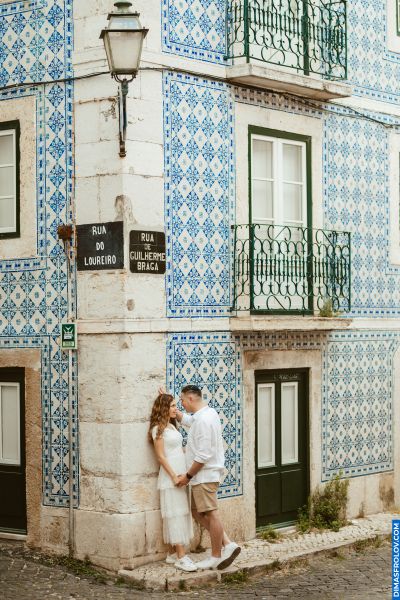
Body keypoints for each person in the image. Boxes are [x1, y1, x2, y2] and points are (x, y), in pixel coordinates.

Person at [176, 384, 241, 570]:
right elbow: (190, 421)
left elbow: (203, 455)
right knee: (196, 511)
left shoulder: (204, 421)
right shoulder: (207, 414)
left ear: (190, 398)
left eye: (181, 400)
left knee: (211, 513)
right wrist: (177, 413)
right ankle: (227, 544)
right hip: (201, 477)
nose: (181, 404)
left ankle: (216, 556)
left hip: (204, 475)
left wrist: (187, 476)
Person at [148, 393, 197, 572]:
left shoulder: (170, 425)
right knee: (175, 514)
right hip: (171, 476)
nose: (176, 408)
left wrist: (164, 395)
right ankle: (181, 557)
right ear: (164, 409)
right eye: (173, 406)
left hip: (180, 472)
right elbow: (160, 457)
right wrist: (174, 476)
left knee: (180, 512)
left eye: (176, 405)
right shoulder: (158, 429)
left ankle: (172, 553)